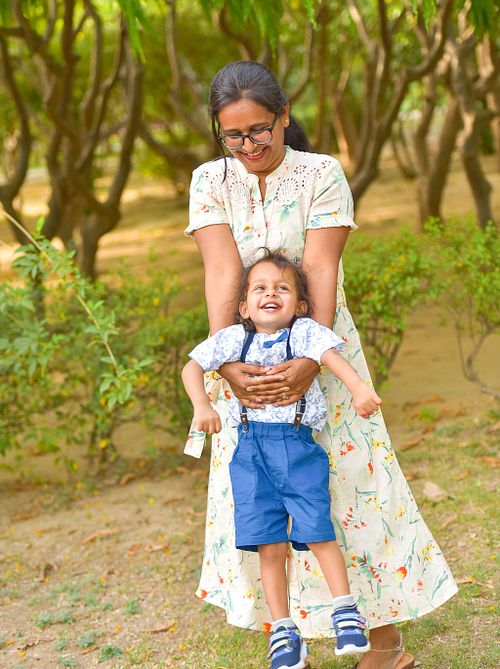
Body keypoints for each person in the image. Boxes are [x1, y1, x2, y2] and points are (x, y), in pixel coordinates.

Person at [183, 60, 457, 669]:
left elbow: (320, 268)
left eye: (260, 130)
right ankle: (286, 633)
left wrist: (311, 357)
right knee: (262, 496)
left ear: (284, 117)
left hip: (325, 347)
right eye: (233, 135)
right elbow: (222, 272)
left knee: (349, 484)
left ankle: (382, 641)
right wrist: (227, 364)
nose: (249, 146)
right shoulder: (209, 180)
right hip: (243, 355)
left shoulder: (321, 174)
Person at [183, 250, 384, 667]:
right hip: (250, 454)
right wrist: (202, 405)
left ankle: (346, 613)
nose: (270, 294)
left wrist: (359, 389)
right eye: (260, 288)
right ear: (244, 307)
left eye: (282, 288)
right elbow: (191, 368)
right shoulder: (233, 339)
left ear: (301, 305)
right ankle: (283, 631)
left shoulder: (305, 333)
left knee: (317, 528)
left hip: (297, 449)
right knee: (268, 543)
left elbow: (333, 359)